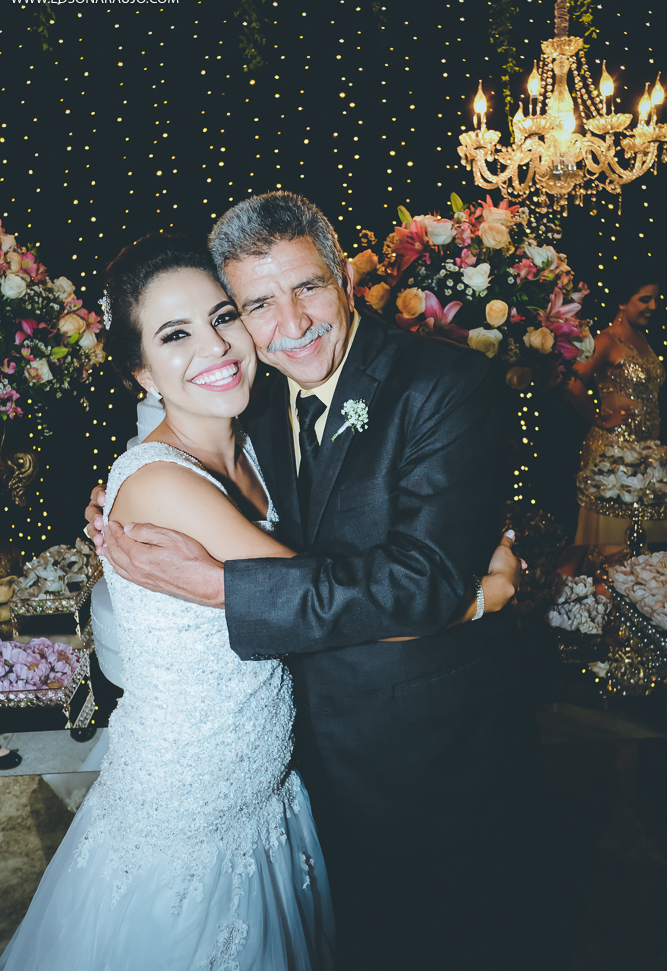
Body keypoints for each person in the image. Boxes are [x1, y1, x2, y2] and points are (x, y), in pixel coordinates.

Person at [86, 193, 539, 971]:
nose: (288, 323)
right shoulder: (251, 399)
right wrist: (119, 495)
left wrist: (218, 584)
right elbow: (177, 469)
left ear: (346, 279)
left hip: (420, 757)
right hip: (283, 766)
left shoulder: (442, 385)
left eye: (306, 288)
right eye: (254, 303)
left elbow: (420, 579)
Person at [1, 235, 336, 971]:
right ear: (140, 369)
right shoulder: (162, 485)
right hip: (190, 809)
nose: (215, 346)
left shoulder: (252, 439)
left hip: (260, 787)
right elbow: (322, 599)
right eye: (175, 334)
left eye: (222, 317)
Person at [568, 277, 665, 546]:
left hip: (645, 455)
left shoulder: (643, 340)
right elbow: (573, 382)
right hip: (613, 455)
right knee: (610, 546)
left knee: (638, 545)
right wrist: (600, 419)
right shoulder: (605, 340)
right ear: (623, 302)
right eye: (644, 299)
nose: (653, 306)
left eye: (656, 299)